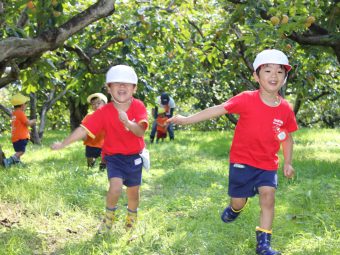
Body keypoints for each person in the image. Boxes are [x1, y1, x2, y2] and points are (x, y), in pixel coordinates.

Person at [168, 49, 298, 255]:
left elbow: (288, 137)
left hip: (267, 164)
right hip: (242, 162)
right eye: (267, 70)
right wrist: (185, 119)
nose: (274, 76)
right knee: (238, 200)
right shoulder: (246, 99)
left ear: (285, 77)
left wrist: (288, 162)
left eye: (280, 72)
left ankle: (263, 245)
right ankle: (236, 208)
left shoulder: (285, 109)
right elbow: (218, 109)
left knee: (268, 197)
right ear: (256, 75)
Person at [51, 65, 148, 233]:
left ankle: (132, 218)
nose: (122, 87)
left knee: (133, 193)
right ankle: (108, 218)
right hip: (114, 158)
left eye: (127, 84)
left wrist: (128, 122)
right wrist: (63, 144)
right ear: (109, 88)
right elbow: (83, 129)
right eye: (116, 84)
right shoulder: (104, 111)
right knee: (115, 188)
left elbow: (140, 131)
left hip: (134, 157)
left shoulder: (138, 106)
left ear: (134, 88)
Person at [1, 93, 36, 168]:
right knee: (21, 151)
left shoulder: (14, 114)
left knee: (18, 151)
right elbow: (28, 123)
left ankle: (17, 163)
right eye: (26, 104)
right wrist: (33, 121)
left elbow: (21, 125)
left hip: (15, 138)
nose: (26, 106)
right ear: (23, 105)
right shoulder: (20, 113)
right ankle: (8, 161)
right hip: (21, 138)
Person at [82, 93, 107, 170]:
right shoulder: (89, 116)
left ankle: (102, 168)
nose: (96, 105)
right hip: (91, 142)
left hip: (104, 142)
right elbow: (84, 126)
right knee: (90, 156)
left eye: (98, 103)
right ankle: (90, 166)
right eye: (93, 104)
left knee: (105, 157)